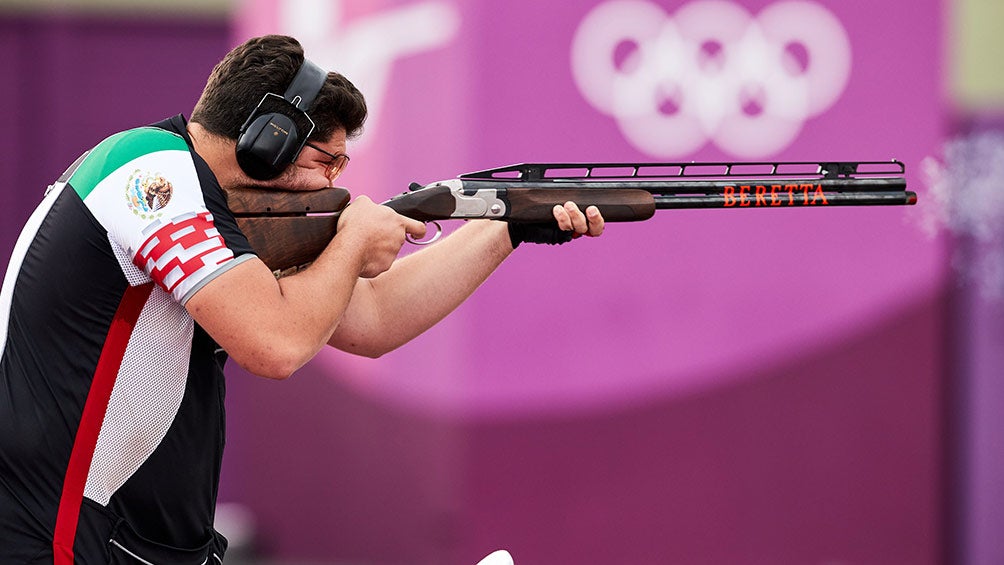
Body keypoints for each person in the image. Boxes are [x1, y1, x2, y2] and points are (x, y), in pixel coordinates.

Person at [0, 35, 603, 564]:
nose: (333, 184)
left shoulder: (208, 203)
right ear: (270, 139)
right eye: (326, 160)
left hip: (135, 541)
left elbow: (372, 320)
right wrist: (354, 243)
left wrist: (506, 225)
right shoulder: (149, 174)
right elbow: (277, 344)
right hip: (60, 538)